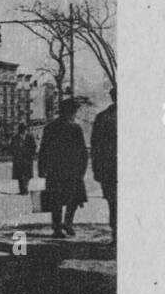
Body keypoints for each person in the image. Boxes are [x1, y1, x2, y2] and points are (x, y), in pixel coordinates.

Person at [37, 97, 88, 239]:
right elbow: (82, 151)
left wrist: (42, 169)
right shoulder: (75, 128)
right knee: (74, 199)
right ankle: (68, 223)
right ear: (70, 111)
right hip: (72, 170)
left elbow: (43, 150)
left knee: (56, 200)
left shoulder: (50, 127)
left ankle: (57, 227)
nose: (75, 114)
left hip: (55, 170)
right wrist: (82, 170)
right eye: (74, 111)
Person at [90, 87, 117, 244]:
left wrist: (97, 170)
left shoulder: (102, 117)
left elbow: (95, 147)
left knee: (113, 205)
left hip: (108, 170)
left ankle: (116, 236)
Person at [10, 123, 37, 195]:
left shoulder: (30, 137)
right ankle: (23, 189)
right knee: (20, 175)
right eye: (22, 129)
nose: (23, 131)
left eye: (24, 129)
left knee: (27, 175)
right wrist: (15, 154)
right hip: (19, 159)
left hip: (27, 158)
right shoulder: (15, 137)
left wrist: (31, 154)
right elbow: (12, 147)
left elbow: (34, 146)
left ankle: (25, 188)